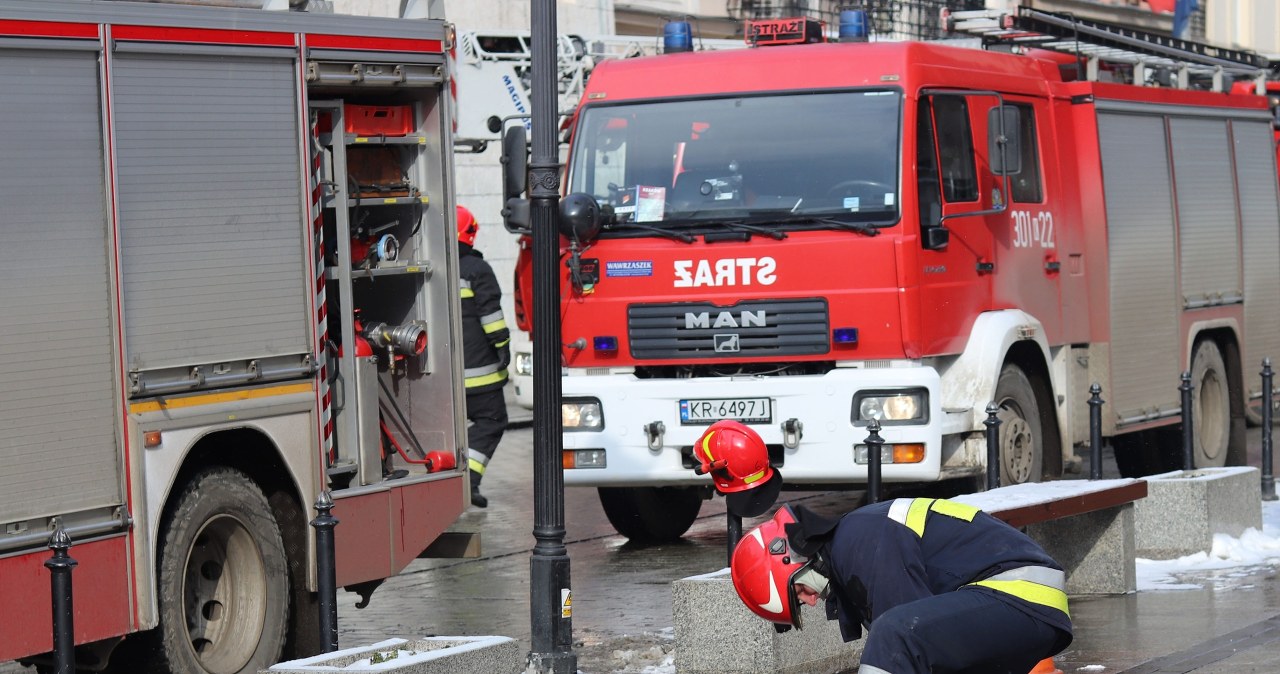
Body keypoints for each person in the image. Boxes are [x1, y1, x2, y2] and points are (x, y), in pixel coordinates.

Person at [730, 499, 1074, 674]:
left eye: (800, 593)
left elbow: (904, 637)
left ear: (790, 560)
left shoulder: (858, 540)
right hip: (1021, 600)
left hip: (1018, 593)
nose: (811, 602)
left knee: (894, 633)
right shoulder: (857, 545)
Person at [457, 204, 510, 508]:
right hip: (479, 374)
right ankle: (470, 481)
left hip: (437, 375)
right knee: (491, 421)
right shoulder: (478, 270)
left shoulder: (430, 265)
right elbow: (491, 317)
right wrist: (503, 345)